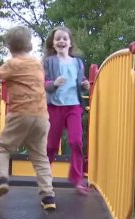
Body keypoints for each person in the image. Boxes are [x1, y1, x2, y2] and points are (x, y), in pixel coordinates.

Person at [0, 25, 56, 211]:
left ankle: (1, 179)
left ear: (10, 48)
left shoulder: (13, 64)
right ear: (29, 45)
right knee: (40, 158)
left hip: (20, 114)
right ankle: (48, 196)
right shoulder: (37, 64)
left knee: (2, 148)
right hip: (42, 117)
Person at [43, 26, 91, 195]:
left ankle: (77, 179)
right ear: (53, 43)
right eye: (58, 39)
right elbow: (45, 83)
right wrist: (54, 84)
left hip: (73, 107)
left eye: (64, 38)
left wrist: (85, 85)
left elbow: (81, 81)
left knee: (76, 142)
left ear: (70, 43)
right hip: (55, 107)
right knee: (51, 145)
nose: (61, 41)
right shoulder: (49, 61)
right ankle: (44, 177)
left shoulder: (77, 62)